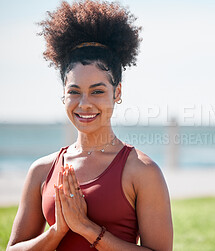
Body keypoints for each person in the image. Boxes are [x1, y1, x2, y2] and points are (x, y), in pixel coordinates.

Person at [7, 1, 173, 250]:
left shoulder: (143, 171)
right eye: (74, 91)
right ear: (63, 95)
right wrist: (57, 231)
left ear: (117, 92)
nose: (84, 104)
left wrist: (87, 229)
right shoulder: (41, 171)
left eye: (97, 91)